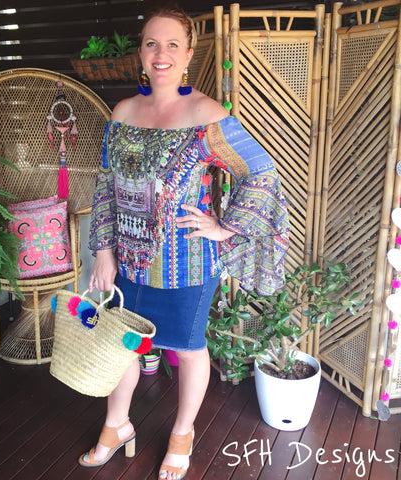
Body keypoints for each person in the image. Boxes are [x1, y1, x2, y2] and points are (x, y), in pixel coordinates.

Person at [81, 2, 290, 479]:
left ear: (189, 54)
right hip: (128, 264)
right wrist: (104, 250)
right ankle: (117, 426)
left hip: (188, 262)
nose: (161, 53)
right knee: (122, 346)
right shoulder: (124, 111)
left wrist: (226, 227)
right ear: (140, 53)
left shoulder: (205, 113)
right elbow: (105, 186)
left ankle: (182, 434)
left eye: (172, 44)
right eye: (152, 43)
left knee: (190, 348)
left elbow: (259, 170)